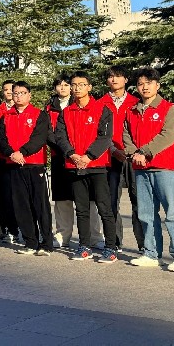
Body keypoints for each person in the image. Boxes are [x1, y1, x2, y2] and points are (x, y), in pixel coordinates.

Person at [125, 68, 174, 272]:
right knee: (146, 213)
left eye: (149, 83)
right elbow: (125, 135)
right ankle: (151, 253)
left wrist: (145, 152)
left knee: (173, 213)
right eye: (140, 83)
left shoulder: (168, 109)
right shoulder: (132, 111)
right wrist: (134, 153)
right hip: (141, 169)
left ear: (157, 85)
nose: (144, 87)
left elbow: (168, 135)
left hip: (164, 168)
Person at [54, 71, 119, 263]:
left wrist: (89, 156)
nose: (77, 88)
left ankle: (110, 247)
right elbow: (60, 136)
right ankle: (84, 246)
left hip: (97, 166)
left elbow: (105, 137)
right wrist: (72, 155)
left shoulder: (102, 109)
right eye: (74, 85)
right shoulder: (66, 112)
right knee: (81, 209)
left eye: (81, 84)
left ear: (89, 87)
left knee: (104, 208)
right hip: (74, 166)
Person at [0, 81, 53, 256]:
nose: (18, 96)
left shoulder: (39, 114)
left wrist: (22, 152)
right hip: (14, 165)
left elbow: (39, 138)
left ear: (29, 95)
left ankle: (46, 243)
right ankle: (30, 241)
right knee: (21, 205)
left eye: (22, 93)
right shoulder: (5, 116)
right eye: (15, 93)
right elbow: (1, 140)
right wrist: (11, 154)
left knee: (40, 205)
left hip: (35, 165)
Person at [48, 74, 104, 249]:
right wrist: (67, 151)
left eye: (67, 84)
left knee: (89, 199)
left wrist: (82, 155)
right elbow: (51, 133)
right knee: (62, 198)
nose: (64, 88)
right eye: (60, 85)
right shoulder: (50, 108)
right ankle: (63, 234)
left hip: (85, 159)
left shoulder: (84, 103)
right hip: (61, 157)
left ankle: (94, 236)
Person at [100, 66, 142, 253]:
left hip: (133, 157)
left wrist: (132, 151)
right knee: (110, 202)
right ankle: (114, 242)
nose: (114, 79)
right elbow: (99, 133)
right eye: (110, 77)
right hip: (109, 158)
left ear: (126, 79)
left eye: (118, 76)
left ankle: (143, 244)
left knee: (138, 201)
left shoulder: (136, 102)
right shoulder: (100, 103)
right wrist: (112, 149)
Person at [0, 79, 20, 245]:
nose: (9, 92)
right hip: (3, 157)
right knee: (4, 195)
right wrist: (8, 151)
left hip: (21, 158)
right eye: (6, 89)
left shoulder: (23, 109)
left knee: (19, 196)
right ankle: (7, 228)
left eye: (12, 89)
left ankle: (21, 228)